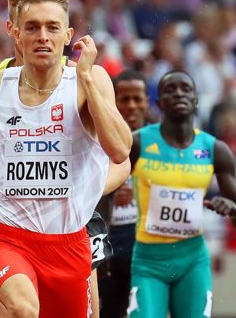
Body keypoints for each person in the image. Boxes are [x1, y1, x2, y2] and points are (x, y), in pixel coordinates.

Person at [0, 0, 132, 318]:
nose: (43, 36)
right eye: (33, 28)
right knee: (24, 310)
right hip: (7, 237)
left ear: (68, 35)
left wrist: (86, 80)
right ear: (15, 33)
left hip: (69, 242)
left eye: (52, 28)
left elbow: (120, 152)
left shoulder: (89, 80)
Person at [127, 70, 236, 318]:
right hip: (149, 261)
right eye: (170, 90)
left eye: (185, 89)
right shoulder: (137, 143)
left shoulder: (215, 149)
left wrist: (233, 208)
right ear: (159, 103)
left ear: (195, 100)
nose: (179, 94)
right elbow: (105, 189)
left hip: (192, 260)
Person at [96, 69, 148, 318]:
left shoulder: (160, 143)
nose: (131, 106)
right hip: (108, 239)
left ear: (147, 102)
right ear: (112, 101)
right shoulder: (94, 137)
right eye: (124, 99)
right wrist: (109, 196)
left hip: (146, 242)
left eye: (137, 99)